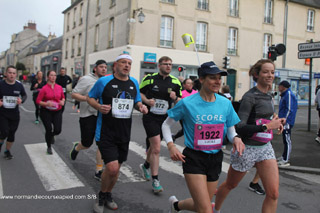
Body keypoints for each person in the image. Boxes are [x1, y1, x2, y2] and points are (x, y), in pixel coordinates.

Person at [161, 61, 245, 212]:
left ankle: (176, 206)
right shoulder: (187, 103)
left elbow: (231, 132)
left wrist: (237, 139)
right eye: (213, 78)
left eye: (219, 78)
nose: (217, 81)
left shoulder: (225, 103)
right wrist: (171, 145)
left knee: (202, 204)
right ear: (201, 79)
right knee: (206, 209)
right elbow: (166, 125)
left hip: (215, 158)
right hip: (194, 158)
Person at [214, 59, 285, 213]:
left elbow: (263, 116)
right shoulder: (250, 97)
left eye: (272, 72)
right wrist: (266, 126)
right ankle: (215, 209)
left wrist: (276, 121)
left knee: (273, 194)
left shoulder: (269, 95)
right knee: (230, 185)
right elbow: (239, 126)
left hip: (265, 148)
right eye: (265, 72)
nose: (269, 75)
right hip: (247, 148)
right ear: (256, 74)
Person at [88, 54, 148, 212]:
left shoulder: (134, 82)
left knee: (116, 170)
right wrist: (99, 107)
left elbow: (136, 101)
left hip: (124, 133)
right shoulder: (103, 81)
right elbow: (90, 98)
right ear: (115, 65)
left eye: (129, 63)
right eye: (123, 62)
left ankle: (108, 194)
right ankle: (101, 196)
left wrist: (141, 106)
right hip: (106, 132)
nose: (127, 65)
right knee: (112, 168)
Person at [139, 56, 182, 193]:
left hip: (165, 119)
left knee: (153, 146)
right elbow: (139, 94)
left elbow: (179, 101)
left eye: (170, 64)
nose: (168, 66)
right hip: (150, 117)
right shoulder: (149, 79)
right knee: (157, 147)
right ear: (159, 65)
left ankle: (146, 165)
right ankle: (156, 180)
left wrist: (175, 97)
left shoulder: (175, 82)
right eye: (166, 64)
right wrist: (147, 101)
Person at [70, 60, 107, 181]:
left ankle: (99, 170)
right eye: (101, 67)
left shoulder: (106, 80)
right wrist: (87, 98)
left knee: (101, 142)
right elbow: (74, 94)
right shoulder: (86, 79)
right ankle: (77, 147)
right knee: (87, 143)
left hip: (101, 115)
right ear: (95, 68)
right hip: (87, 115)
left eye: (105, 67)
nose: (104, 69)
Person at [0, 65, 27, 159]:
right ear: (6, 74)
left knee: (11, 134)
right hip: (2, 113)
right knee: (4, 132)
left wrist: (21, 101)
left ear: (16, 75)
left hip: (14, 114)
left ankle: (7, 151)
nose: (12, 75)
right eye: (10, 73)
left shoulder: (19, 85)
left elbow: (24, 95)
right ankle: (1, 143)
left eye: (13, 73)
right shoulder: (1, 84)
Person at [36, 70, 65, 155]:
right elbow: (38, 101)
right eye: (51, 75)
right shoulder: (44, 88)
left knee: (58, 130)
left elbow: (63, 97)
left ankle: (52, 135)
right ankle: (49, 146)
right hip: (46, 111)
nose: (53, 77)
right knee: (48, 129)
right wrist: (46, 103)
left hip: (57, 111)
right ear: (48, 77)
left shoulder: (59, 87)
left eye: (55, 75)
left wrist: (62, 101)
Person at [277, 80, 298, 167]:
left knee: (287, 140)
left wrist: (284, 119)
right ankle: (284, 156)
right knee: (285, 139)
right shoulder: (285, 94)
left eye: (279, 86)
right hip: (284, 121)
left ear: (283, 87)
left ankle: (286, 159)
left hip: (287, 122)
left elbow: (289, 108)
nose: (278, 87)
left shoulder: (288, 94)